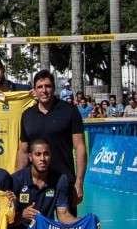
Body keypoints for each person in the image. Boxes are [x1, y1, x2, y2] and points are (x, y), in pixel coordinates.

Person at [18, 70, 87, 214]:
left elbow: (80, 146)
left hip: (64, 180)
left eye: (47, 86)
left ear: (54, 88)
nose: (44, 90)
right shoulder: (27, 115)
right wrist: (19, 182)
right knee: (35, 228)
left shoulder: (69, 111)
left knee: (67, 228)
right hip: (36, 184)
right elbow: (23, 151)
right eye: (40, 87)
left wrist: (79, 182)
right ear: (35, 90)